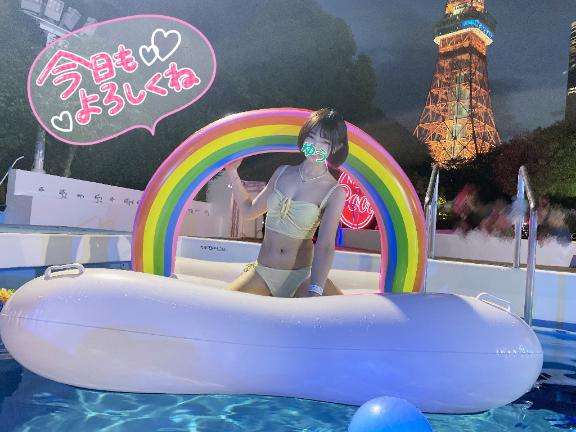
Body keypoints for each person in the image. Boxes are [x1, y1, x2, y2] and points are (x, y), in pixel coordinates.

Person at [224, 108, 348, 298]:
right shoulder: (282, 172)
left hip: (302, 279)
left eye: (325, 142)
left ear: (336, 147)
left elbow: (325, 246)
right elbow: (249, 211)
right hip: (263, 273)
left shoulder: (334, 192)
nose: (315, 146)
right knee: (220, 306)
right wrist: (232, 172)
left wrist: (315, 289)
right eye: (311, 137)